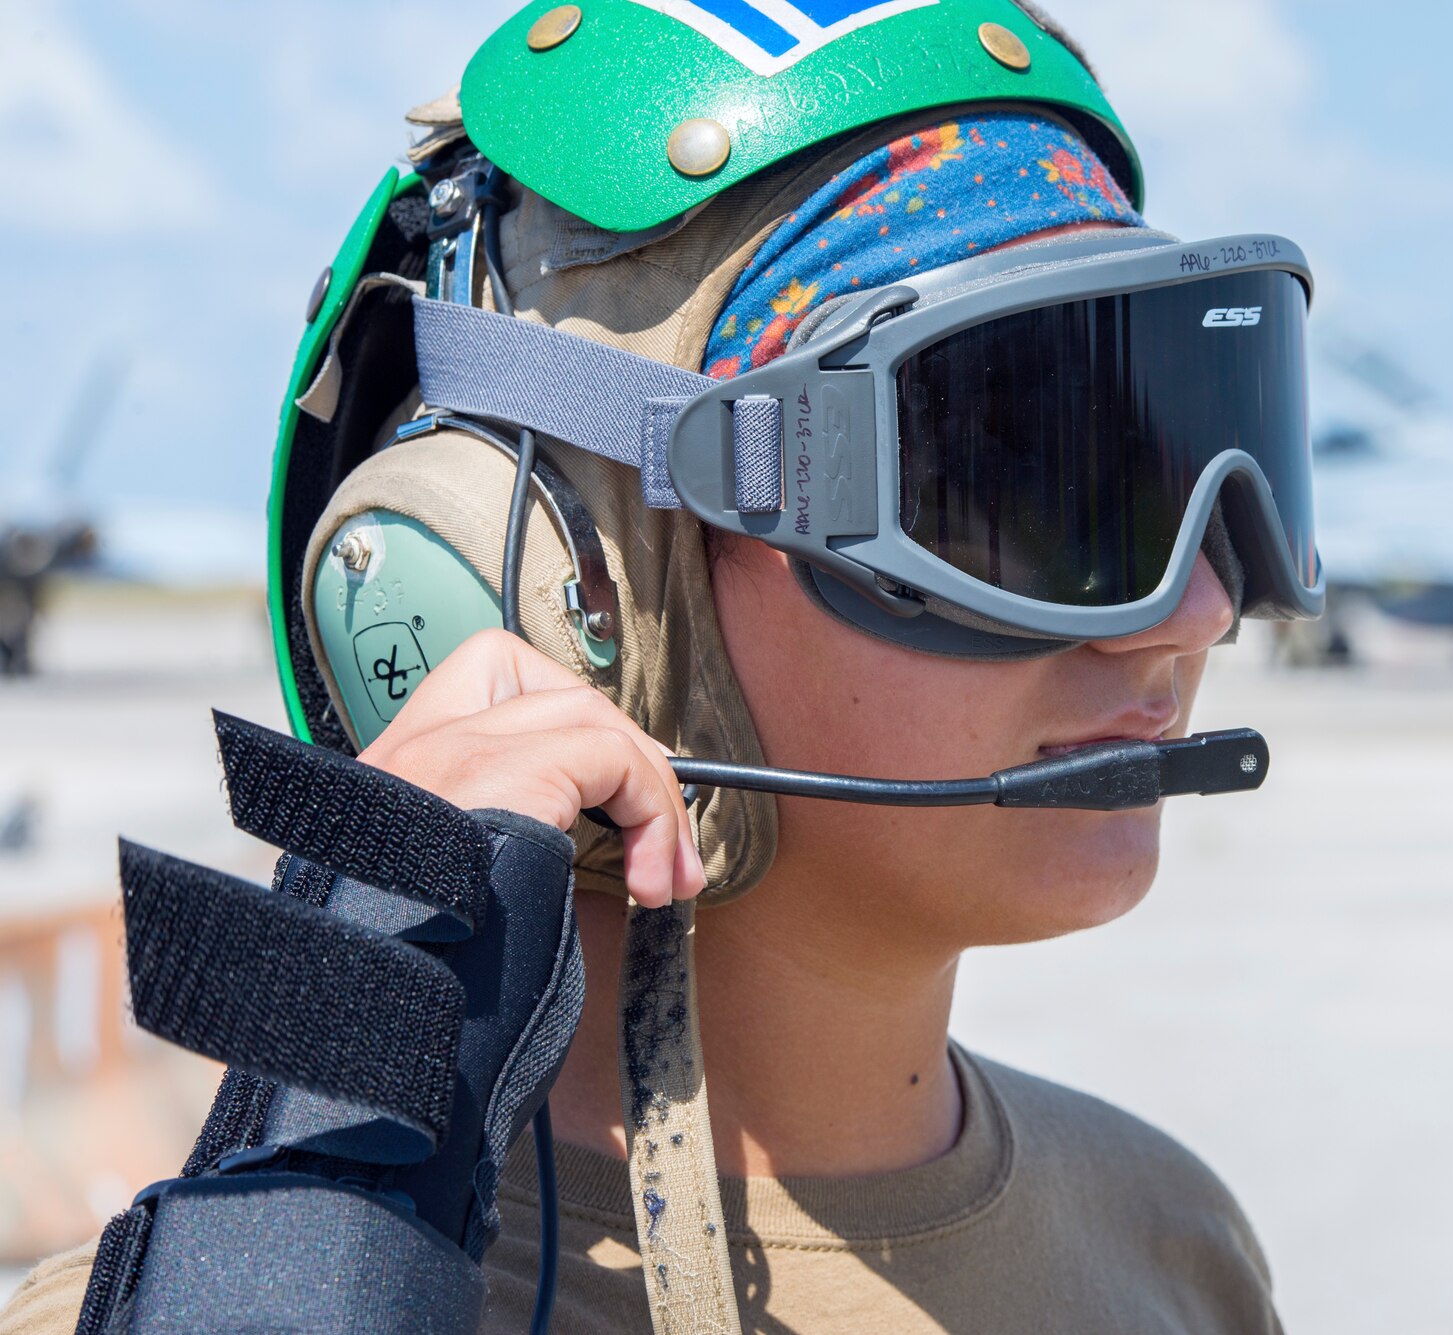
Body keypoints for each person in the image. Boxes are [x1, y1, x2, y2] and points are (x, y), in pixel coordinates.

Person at [1, 3, 1319, 1331]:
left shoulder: (1171, 1242)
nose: (1196, 612)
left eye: (1173, 480)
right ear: (555, 589)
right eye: (1019, 486)